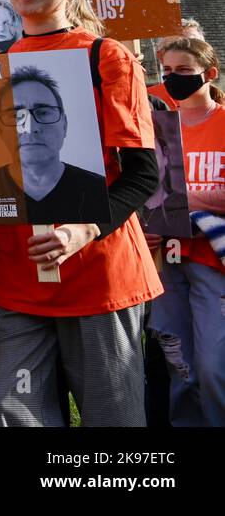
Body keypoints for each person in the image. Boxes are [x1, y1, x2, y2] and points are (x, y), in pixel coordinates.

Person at [0, 0, 160, 427]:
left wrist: (83, 229)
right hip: (14, 278)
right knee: (14, 413)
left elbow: (142, 174)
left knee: (112, 421)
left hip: (98, 274)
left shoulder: (108, 57)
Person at [146, 37, 225, 426]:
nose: (172, 79)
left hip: (213, 260)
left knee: (214, 367)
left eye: (183, 71)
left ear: (209, 74)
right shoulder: (158, 127)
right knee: (180, 366)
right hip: (166, 258)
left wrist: (183, 196)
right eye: (167, 72)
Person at [0, 66, 111, 224]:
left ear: (64, 124)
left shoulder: (96, 188)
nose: (30, 127)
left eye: (43, 112)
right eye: (16, 115)